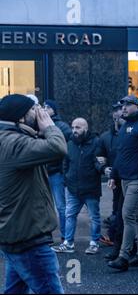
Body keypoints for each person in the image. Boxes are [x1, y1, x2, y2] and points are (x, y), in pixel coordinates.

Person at [0, 94, 67, 294]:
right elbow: (57, 148)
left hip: (16, 232)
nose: (40, 113)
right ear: (20, 117)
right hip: (28, 238)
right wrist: (49, 127)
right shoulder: (14, 143)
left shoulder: (9, 138)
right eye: (33, 109)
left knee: (15, 291)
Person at [107, 95, 138, 271]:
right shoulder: (126, 125)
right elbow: (119, 153)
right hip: (125, 178)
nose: (124, 108)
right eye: (122, 106)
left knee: (127, 215)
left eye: (128, 105)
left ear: (137, 106)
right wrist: (114, 175)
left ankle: (124, 256)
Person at [52, 118, 102, 255]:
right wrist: (67, 178)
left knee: (94, 217)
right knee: (70, 215)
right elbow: (65, 163)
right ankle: (68, 243)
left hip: (90, 188)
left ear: (86, 128)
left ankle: (94, 243)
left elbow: (98, 163)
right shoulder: (69, 144)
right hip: (73, 188)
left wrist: (102, 169)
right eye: (73, 127)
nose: (74, 130)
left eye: (78, 127)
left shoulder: (96, 143)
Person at [97, 102, 126, 259]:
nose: (118, 114)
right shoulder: (106, 137)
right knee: (119, 211)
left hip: (130, 178)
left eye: (121, 111)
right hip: (117, 179)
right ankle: (119, 243)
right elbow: (99, 156)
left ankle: (125, 246)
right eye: (116, 112)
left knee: (128, 213)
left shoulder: (131, 132)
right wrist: (104, 168)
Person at [43, 99, 72, 242]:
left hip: (56, 172)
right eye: (44, 107)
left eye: (48, 107)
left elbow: (67, 149)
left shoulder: (62, 126)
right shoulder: (39, 125)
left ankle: (65, 236)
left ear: (54, 110)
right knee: (45, 206)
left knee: (61, 206)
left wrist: (63, 169)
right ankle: (46, 236)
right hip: (43, 172)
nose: (45, 109)